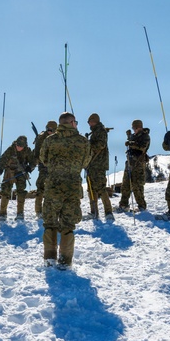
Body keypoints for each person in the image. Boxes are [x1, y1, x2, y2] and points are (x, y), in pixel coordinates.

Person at [39, 112, 91, 268]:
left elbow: (44, 159)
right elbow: (86, 162)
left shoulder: (50, 140)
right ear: (72, 123)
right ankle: (65, 261)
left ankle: (49, 258)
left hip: (53, 187)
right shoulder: (83, 141)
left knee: (50, 223)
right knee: (68, 224)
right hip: (73, 188)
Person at [0, 135, 36, 221]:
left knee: (21, 192)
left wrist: (30, 167)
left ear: (24, 146)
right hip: (9, 172)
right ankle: (2, 214)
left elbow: (33, 161)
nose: (19, 147)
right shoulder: (10, 149)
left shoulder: (27, 151)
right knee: (5, 191)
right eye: (18, 145)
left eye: (21, 146)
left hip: (21, 173)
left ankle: (20, 213)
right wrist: (0, 169)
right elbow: (2, 159)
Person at [118, 120, 151, 213]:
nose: (134, 130)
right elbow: (131, 143)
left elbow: (142, 147)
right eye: (133, 128)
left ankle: (142, 206)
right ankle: (123, 204)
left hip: (139, 164)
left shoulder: (145, 136)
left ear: (139, 127)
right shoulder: (133, 136)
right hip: (130, 162)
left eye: (135, 128)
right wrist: (129, 137)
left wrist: (131, 143)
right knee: (125, 184)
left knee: (137, 185)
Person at [84, 113, 113, 220]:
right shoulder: (95, 132)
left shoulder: (100, 131)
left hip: (99, 164)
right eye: (88, 122)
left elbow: (101, 145)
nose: (89, 124)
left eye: (90, 122)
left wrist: (88, 145)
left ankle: (108, 212)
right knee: (91, 188)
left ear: (95, 121)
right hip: (92, 164)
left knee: (101, 188)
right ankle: (94, 212)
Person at [33, 120, 56, 218]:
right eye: (48, 129)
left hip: (54, 167)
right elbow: (37, 153)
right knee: (41, 188)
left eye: (51, 130)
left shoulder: (58, 137)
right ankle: (38, 211)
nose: (49, 131)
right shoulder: (41, 138)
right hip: (43, 166)